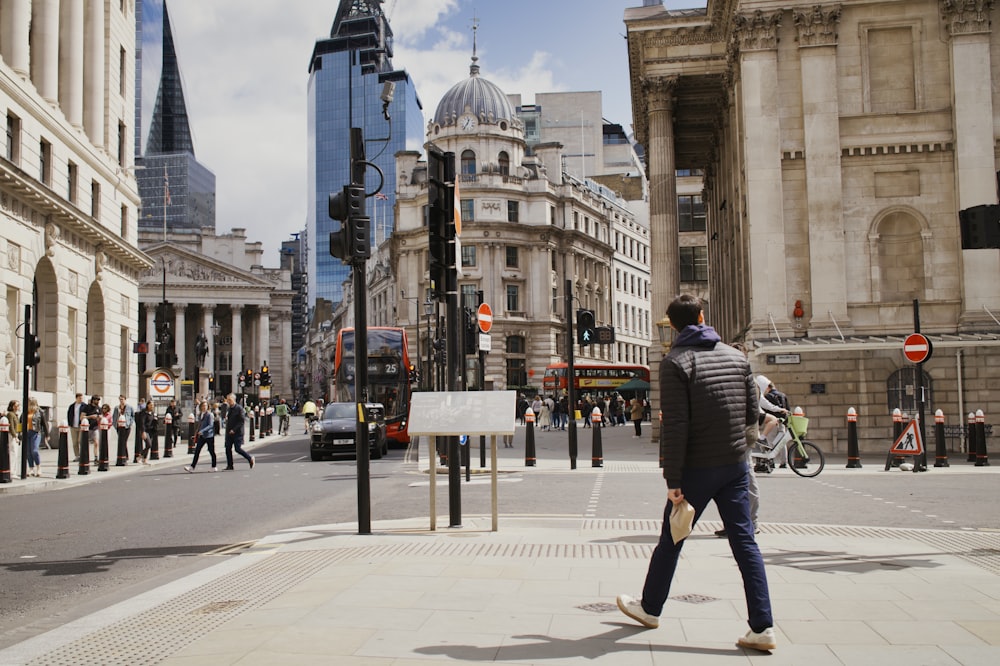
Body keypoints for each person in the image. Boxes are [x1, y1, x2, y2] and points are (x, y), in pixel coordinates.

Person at [617, 294, 775, 651]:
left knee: (672, 539)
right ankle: (762, 627)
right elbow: (752, 412)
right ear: (703, 316)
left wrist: (673, 481)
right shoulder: (737, 357)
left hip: (695, 469)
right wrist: (740, 449)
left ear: (672, 326)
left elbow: (675, 425)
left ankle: (650, 608)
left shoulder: (675, 362)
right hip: (734, 465)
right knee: (745, 542)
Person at [185, 401, 218, 473]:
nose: (204, 407)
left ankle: (214, 466)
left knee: (211, 451)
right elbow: (199, 425)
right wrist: (196, 434)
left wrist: (202, 431)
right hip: (202, 436)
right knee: (197, 451)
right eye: (203, 406)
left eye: (206, 406)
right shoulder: (200, 414)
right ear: (201, 407)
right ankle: (192, 467)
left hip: (209, 436)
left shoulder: (209, 415)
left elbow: (210, 425)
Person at [224, 393, 254, 470]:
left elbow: (241, 421)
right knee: (227, 448)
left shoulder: (239, 408)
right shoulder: (229, 408)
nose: (228, 401)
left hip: (237, 432)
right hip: (229, 432)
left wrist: (234, 430)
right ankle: (230, 465)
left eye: (230, 400)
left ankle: (250, 458)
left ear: (234, 400)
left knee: (237, 449)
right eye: (227, 400)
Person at [24, 398, 49, 477]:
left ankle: (38, 467)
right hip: (27, 433)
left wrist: (47, 435)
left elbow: (44, 424)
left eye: (29, 402)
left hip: (36, 432)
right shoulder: (25, 411)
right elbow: (21, 422)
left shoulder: (40, 412)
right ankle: (31, 468)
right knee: (28, 452)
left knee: (34, 450)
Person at [112, 395, 135, 461]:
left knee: (124, 441)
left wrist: (130, 423)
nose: (121, 401)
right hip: (119, 426)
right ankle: (124, 455)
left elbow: (132, 416)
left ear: (125, 399)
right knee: (121, 441)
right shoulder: (117, 408)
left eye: (122, 399)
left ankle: (125, 455)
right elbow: (114, 416)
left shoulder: (129, 407)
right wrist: (115, 425)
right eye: (120, 399)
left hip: (126, 426)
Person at [138, 400, 157, 465]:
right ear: (147, 405)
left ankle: (144, 460)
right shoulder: (144, 412)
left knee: (148, 445)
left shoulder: (152, 413)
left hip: (151, 430)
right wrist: (143, 432)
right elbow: (142, 422)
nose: (152, 406)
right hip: (145, 430)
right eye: (151, 405)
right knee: (149, 444)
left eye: (153, 405)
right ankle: (140, 456)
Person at [85, 395, 101, 461]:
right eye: (96, 400)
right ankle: (85, 456)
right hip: (87, 427)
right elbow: (82, 417)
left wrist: (99, 418)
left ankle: (96, 456)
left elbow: (101, 416)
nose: (97, 401)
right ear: (93, 400)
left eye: (98, 400)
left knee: (96, 442)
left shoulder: (99, 408)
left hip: (95, 427)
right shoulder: (87, 407)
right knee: (85, 443)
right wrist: (91, 416)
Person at [6, 400, 21, 465]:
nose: (18, 407)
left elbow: (17, 426)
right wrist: (15, 437)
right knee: (13, 452)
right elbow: (11, 427)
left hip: (16, 434)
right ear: (12, 406)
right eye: (17, 405)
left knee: (16, 453)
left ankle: (14, 471)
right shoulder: (10, 414)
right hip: (12, 435)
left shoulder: (15, 415)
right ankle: (12, 472)